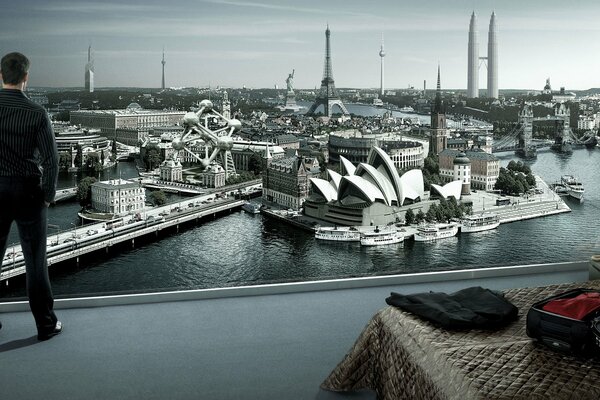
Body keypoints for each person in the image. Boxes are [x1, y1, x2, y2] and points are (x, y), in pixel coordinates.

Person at [0, 52, 61, 340]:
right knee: (35, 261)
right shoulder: (37, 112)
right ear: (26, 77)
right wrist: (47, 195)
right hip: (28, 190)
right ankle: (46, 325)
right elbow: (52, 160)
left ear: (1, 76)